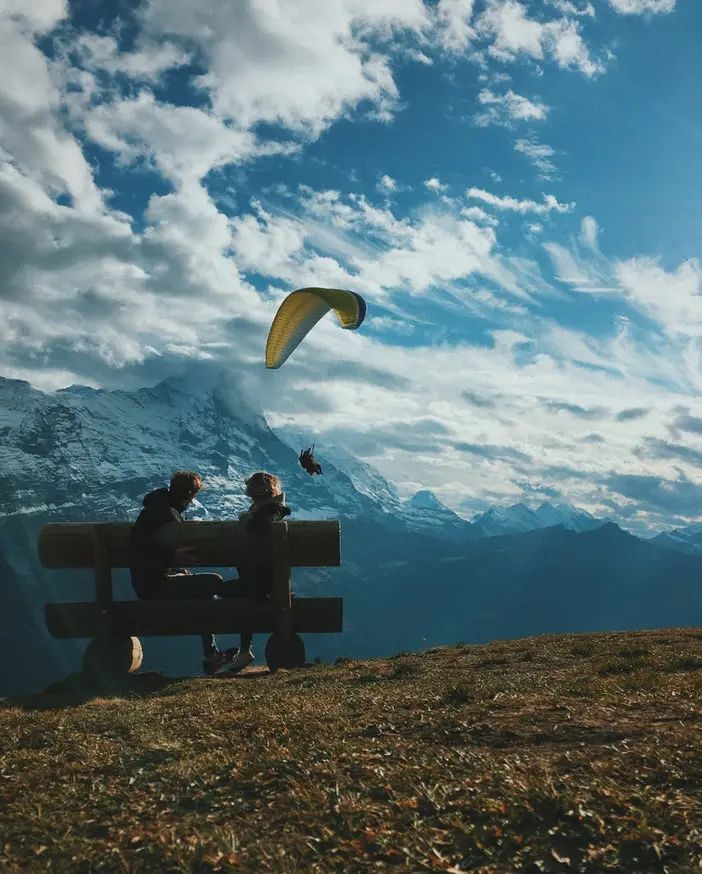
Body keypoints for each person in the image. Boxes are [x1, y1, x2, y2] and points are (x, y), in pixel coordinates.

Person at [129, 471, 237, 675]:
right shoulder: (164, 512)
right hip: (154, 585)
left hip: (148, 582)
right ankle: (212, 655)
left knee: (202, 591)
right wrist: (171, 556)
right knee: (212, 582)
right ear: (189, 494)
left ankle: (212, 655)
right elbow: (138, 545)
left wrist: (175, 564)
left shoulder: (158, 507)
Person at [233, 471, 292, 670]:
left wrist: (245, 518)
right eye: (253, 496)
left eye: (258, 496)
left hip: (267, 582)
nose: (255, 500)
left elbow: (261, 525)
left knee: (225, 592)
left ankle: (241, 652)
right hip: (263, 579)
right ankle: (242, 651)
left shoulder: (274, 510)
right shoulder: (269, 509)